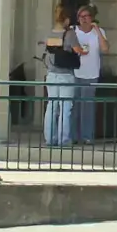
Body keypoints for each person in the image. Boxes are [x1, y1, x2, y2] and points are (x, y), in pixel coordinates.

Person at [42, 10, 84, 147]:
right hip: (66, 74)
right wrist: (83, 50)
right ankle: (63, 139)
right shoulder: (70, 34)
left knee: (51, 106)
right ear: (66, 19)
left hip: (51, 74)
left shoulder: (50, 33)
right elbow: (78, 50)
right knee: (65, 108)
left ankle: (50, 138)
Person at [70, 5, 109, 143]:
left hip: (91, 73)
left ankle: (87, 136)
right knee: (74, 106)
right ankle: (73, 136)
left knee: (87, 105)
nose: (84, 19)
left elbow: (105, 49)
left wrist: (97, 30)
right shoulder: (73, 31)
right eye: (81, 17)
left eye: (87, 16)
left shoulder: (99, 32)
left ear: (92, 18)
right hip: (75, 72)